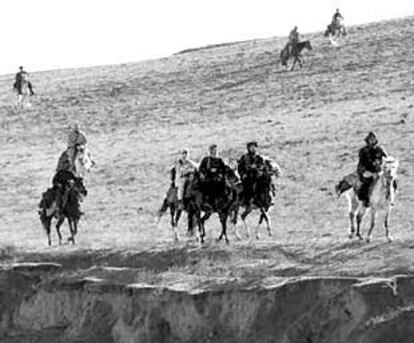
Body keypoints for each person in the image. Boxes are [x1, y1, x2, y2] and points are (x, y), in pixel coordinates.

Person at [357, 132, 387, 206]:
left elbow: (386, 158)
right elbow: (364, 162)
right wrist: (373, 165)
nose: (372, 141)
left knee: (389, 179)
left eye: (373, 139)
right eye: (370, 139)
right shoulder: (363, 151)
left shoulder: (380, 149)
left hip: (379, 170)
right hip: (367, 170)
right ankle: (366, 198)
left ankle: (389, 196)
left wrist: (382, 164)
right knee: (369, 181)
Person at [237, 141, 265, 205]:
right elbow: (240, 167)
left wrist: (257, 168)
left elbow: (262, 166)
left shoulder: (259, 157)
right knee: (247, 186)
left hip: (257, 176)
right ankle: (247, 201)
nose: (252, 149)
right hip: (248, 176)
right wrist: (243, 174)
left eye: (254, 147)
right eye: (251, 147)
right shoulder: (244, 157)